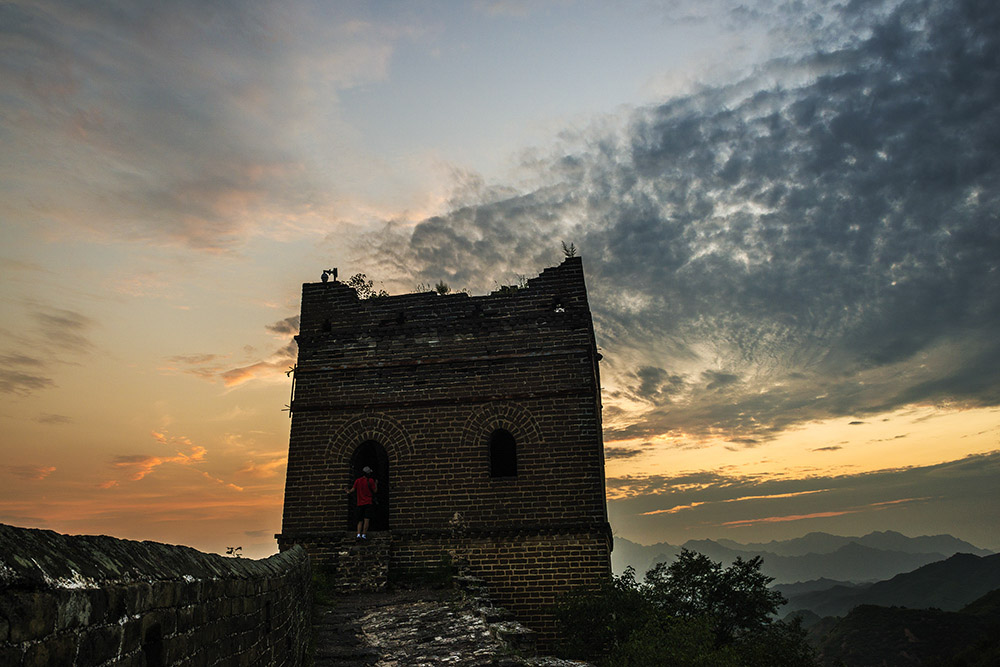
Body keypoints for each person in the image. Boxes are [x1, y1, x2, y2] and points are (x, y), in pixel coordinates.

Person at [346, 465, 378, 540]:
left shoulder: (358, 481)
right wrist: (376, 483)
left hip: (360, 503)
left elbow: (352, 490)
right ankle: (364, 534)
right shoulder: (370, 481)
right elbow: (375, 491)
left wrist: (348, 491)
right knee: (366, 519)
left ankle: (358, 534)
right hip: (368, 502)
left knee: (359, 520)